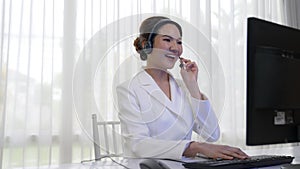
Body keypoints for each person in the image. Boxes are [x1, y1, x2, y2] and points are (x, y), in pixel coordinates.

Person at [116, 16, 248, 160]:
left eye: (179, 42)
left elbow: (212, 134)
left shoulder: (183, 87)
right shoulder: (129, 89)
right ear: (146, 44)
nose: (175, 48)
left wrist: (193, 86)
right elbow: (138, 145)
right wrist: (193, 147)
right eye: (167, 40)